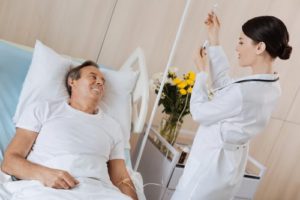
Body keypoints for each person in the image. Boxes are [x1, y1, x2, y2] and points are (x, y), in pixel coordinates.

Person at [171, 12, 292, 200]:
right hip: (227, 170)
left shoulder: (245, 92)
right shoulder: (272, 86)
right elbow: (226, 89)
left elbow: (199, 113)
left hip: (207, 172)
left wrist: (202, 74)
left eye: (242, 42)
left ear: (259, 47)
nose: (237, 47)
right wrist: (214, 39)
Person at [1, 61, 138, 200]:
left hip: (99, 192)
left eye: (103, 81)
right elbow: (10, 162)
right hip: (49, 189)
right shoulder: (44, 109)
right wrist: (45, 175)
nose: (100, 82)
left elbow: (121, 178)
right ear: (72, 82)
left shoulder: (113, 127)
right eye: (93, 76)